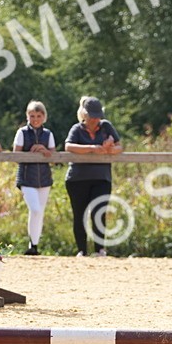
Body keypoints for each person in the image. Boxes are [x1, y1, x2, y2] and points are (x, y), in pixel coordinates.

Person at [64, 96, 122, 257]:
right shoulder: (77, 129)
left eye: (97, 116)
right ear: (85, 115)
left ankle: (100, 249)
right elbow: (68, 146)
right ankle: (81, 250)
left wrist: (109, 149)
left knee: (99, 211)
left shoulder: (106, 127)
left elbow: (119, 146)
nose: (95, 119)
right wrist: (92, 148)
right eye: (92, 116)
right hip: (77, 178)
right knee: (79, 214)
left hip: (101, 177)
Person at [13, 100, 55, 255]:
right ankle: (32, 243)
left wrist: (43, 150)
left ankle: (34, 245)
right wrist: (30, 153)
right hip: (26, 178)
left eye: (38, 115)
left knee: (40, 212)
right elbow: (15, 156)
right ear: (27, 116)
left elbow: (53, 156)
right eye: (32, 116)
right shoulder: (22, 133)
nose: (35, 119)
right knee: (35, 209)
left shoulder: (48, 134)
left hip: (44, 178)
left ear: (44, 117)